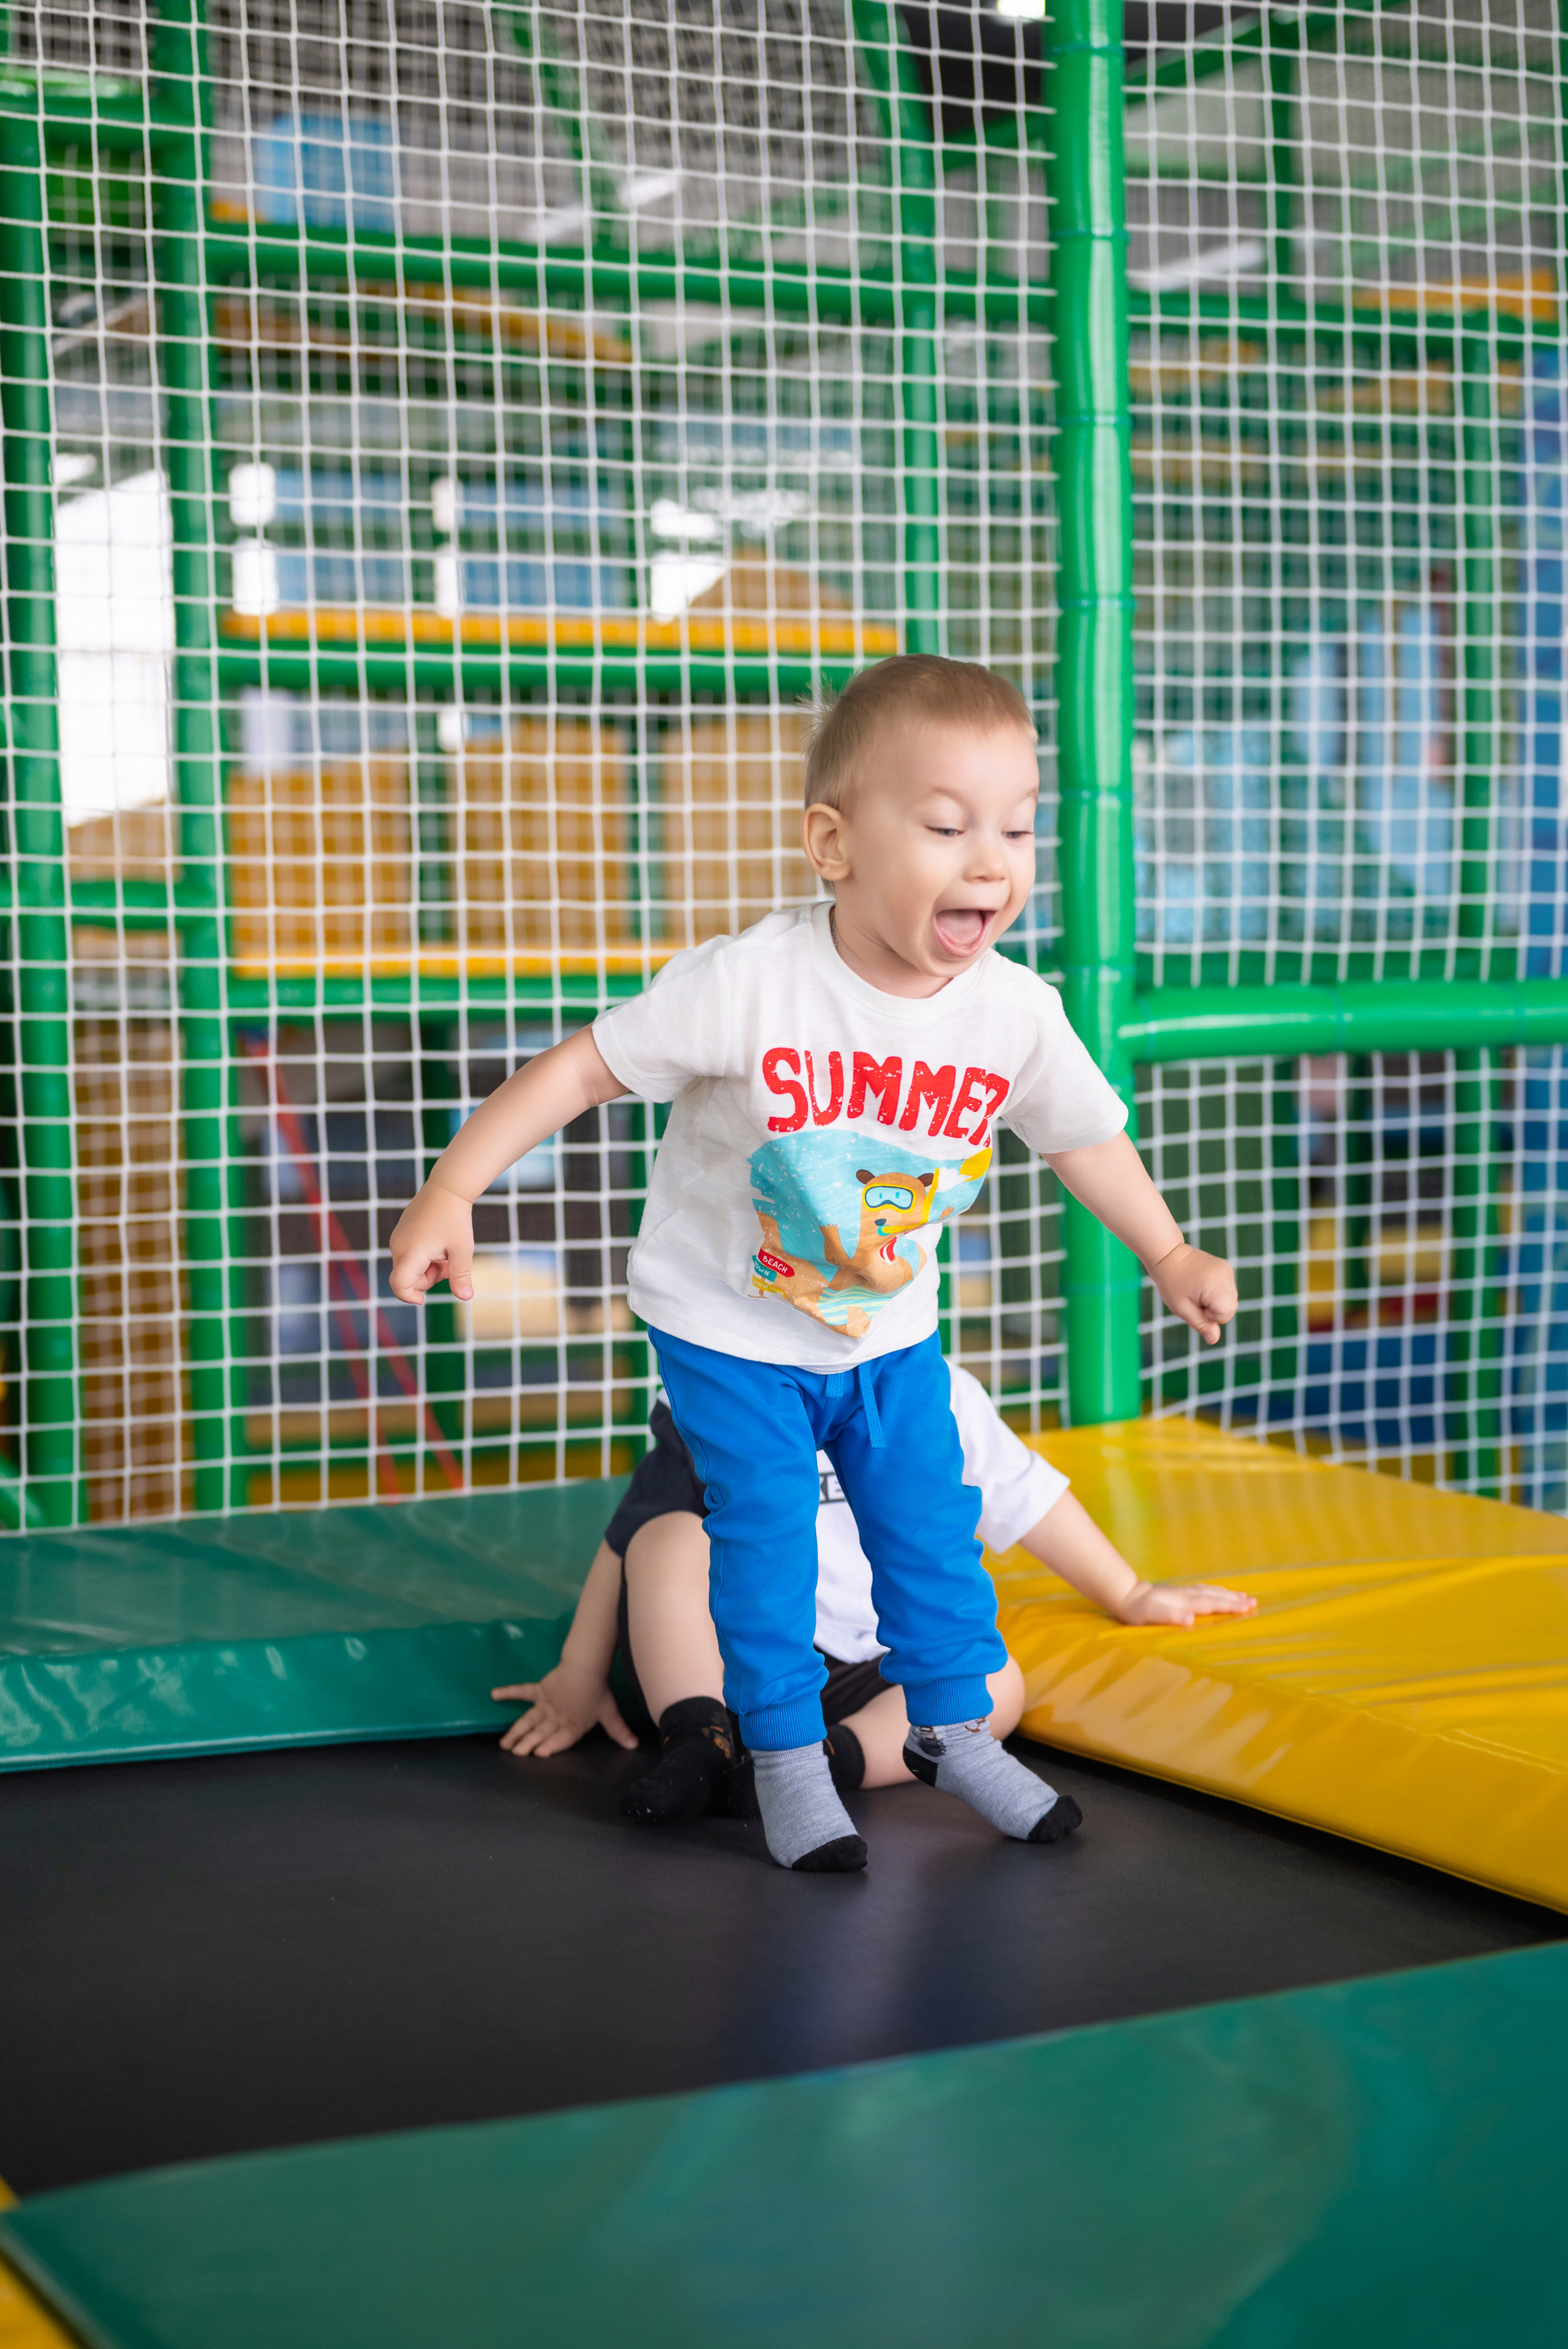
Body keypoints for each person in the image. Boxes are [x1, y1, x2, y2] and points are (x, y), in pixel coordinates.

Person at [391, 654, 1238, 1874]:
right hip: (729, 1334)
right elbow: (577, 1068)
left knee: (929, 1535)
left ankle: (951, 1733)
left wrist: (1163, 1246)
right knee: (768, 1545)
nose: (989, 860)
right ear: (832, 845)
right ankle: (785, 1761)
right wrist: (455, 1187)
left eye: (1013, 826)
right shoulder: (752, 984)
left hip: (882, 1333)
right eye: (945, 826)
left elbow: (1082, 1137)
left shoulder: (1010, 1013)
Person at [491, 1362, 1257, 1829]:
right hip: (737, 1656)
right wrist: (579, 1672)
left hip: (874, 1665)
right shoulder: (724, 1396)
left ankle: (827, 1762)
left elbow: (1026, 1498)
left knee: (999, 1685)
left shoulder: (937, 1397)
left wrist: (1126, 1590)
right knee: (672, 1539)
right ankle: (702, 1742)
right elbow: (631, 1534)